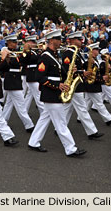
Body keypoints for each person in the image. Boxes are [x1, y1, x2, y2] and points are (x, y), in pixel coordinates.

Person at [28, 29, 86, 157]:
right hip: (51, 93)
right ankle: (71, 148)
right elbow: (40, 77)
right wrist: (57, 85)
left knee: (44, 118)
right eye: (58, 39)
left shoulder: (55, 55)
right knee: (61, 123)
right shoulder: (45, 56)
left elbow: (58, 73)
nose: (61, 42)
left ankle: (33, 142)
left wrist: (71, 70)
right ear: (52, 40)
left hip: (53, 93)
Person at [61, 31, 103, 139]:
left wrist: (88, 63)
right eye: (79, 40)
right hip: (73, 83)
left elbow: (79, 65)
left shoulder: (76, 52)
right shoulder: (68, 53)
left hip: (76, 84)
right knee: (82, 108)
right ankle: (92, 132)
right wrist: (81, 72)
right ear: (73, 40)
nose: (81, 41)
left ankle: (60, 128)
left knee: (68, 108)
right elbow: (67, 69)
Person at [1, 34, 35, 132]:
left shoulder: (15, 53)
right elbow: (14, 63)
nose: (16, 44)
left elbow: (24, 62)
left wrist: (27, 52)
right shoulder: (6, 52)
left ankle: (3, 121)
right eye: (14, 42)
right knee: (21, 105)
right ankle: (29, 125)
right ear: (9, 43)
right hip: (11, 80)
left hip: (15, 79)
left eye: (16, 42)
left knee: (9, 104)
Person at [83, 43, 111, 126]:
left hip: (93, 84)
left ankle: (79, 117)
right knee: (99, 103)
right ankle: (108, 119)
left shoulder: (95, 60)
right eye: (96, 50)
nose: (98, 51)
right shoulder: (89, 61)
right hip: (92, 84)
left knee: (87, 102)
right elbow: (91, 75)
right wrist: (101, 78)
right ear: (92, 51)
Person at [23, 35, 44, 114]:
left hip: (34, 75)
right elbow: (27, 60)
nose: (35, 44)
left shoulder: (34, 51)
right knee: (38, 96)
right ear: (28, 43)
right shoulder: (28, 52)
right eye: (32, 42)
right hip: (32, 75)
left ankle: (24, 112)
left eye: (34, 42)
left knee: (29, 96)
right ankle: (44, 113)